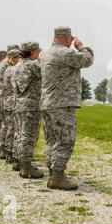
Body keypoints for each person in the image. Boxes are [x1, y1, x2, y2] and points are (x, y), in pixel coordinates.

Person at [40, 26, 94, 190]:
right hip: (62, 104)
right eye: (70, 38)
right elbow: (87, 60)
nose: (71, 41)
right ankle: (57, 177)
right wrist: (81, 46)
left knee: (52, 141)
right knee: (65, 140)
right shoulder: (65, 52)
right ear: (65, 38)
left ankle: (53, 173)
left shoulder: (46, 53)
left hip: (48, 104)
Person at [13, 41, 44, 178]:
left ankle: (19, 162)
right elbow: (46, 74)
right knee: (29, 136)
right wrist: (42, 60)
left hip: (20, 104)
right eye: (38, 50)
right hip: (31, 106)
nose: (40, 52)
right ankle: (26, 168)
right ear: (32, 52)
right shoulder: (33, 65)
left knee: (20, 134)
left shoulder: (18, 65)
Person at [0, 44, 20, 159]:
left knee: (6, 125)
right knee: (12, 127)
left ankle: (5, 150)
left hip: (4, 99)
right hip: (10, 100)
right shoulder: (10, 67)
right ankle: (10, 152)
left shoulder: (4, 65)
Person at [1, 49, 21, 163]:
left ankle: (8, 152)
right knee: (14, 129)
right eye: (19, 57)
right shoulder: (13, 70)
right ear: (14, 58)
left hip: (7, 102)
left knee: (9, 128)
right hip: (13, 102)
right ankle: (11, 153)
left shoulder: (7, 70)